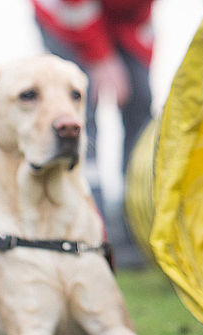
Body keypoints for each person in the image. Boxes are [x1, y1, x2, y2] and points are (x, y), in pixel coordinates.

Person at [33, 0, 155, 268]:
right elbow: (75, 6)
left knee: (140, 102)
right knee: (78, 111)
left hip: (124, 21)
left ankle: (136, 231)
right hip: (66, 13)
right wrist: (100, 56)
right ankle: (89, 236)